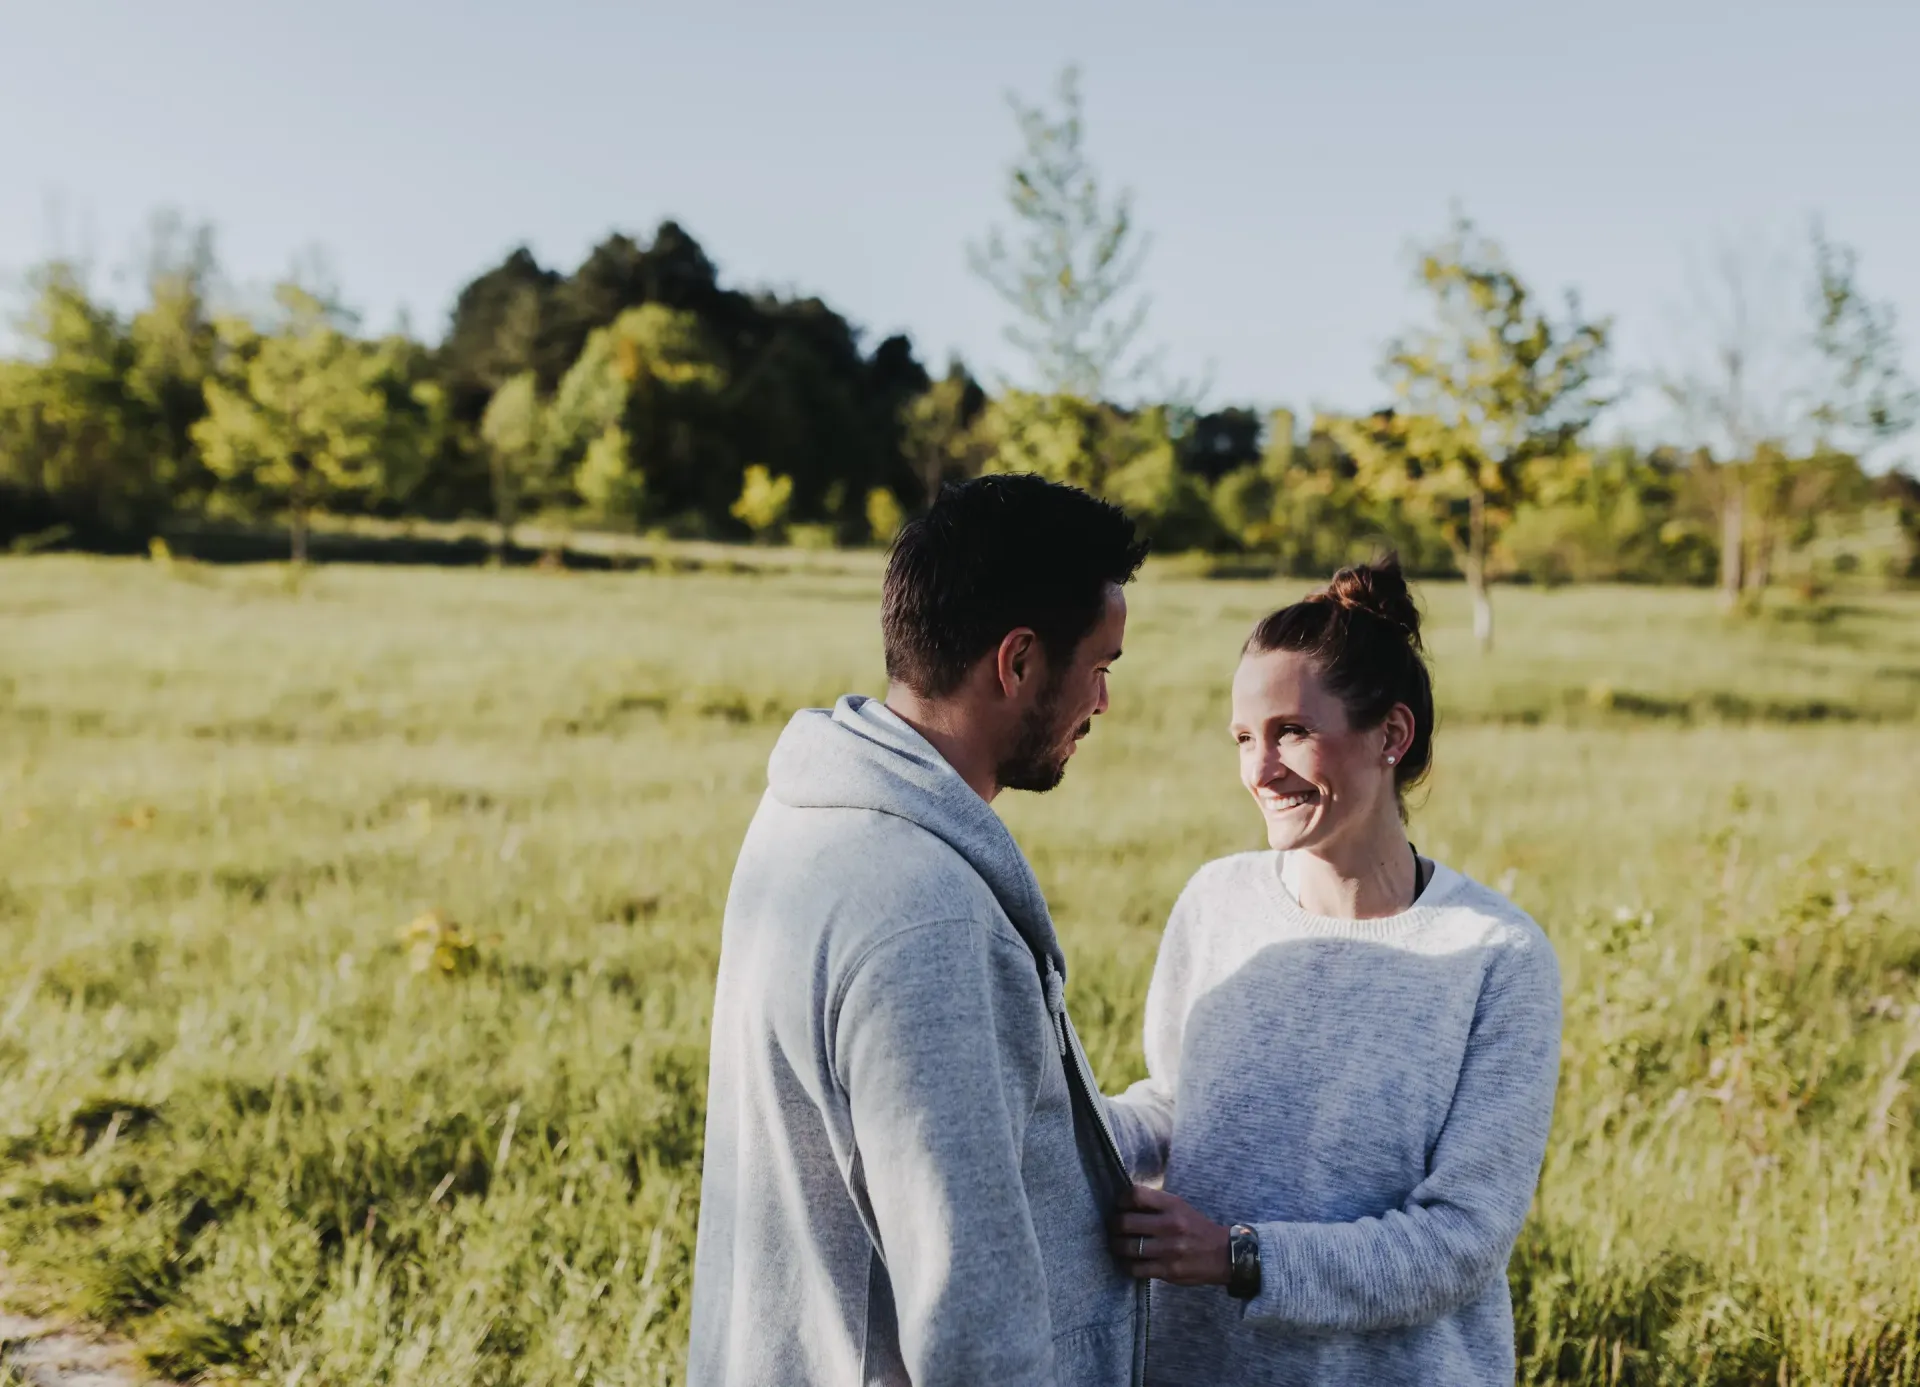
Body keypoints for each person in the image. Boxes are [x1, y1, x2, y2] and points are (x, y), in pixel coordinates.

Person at [689, 474, 1151, 1387]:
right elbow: (969, 1315)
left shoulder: (811, 817)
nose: (1101, 702)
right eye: (1099, 666)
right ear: (1017, 662)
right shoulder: (926, 916)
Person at [1103, 553, 1562, 1387]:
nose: (1259, 768)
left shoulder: (1498, 956)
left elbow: (1459, 1239)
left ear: (1392, 734)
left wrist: (1239, 1256)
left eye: (1292, 731)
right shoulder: (1216, 900)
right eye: (1244, 737)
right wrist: (1063, 1130)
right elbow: (1176, 1102)